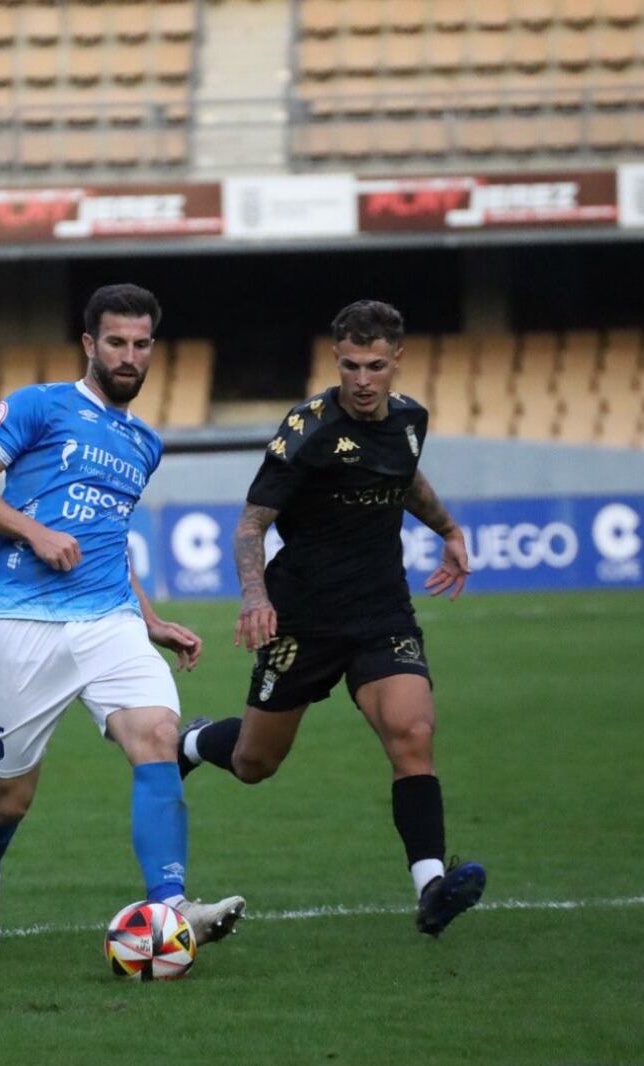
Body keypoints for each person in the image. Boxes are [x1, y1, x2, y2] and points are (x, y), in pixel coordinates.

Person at [0, 283, 246, 961]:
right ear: (89, 344)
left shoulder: (145, 443)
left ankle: (171, 907)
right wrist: (32, 532)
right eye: (116, 342)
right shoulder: (38, 406)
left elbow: (109, 534)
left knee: (158, 733)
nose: (129, 356)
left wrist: (150, 617)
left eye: (141, 344)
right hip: (22, 619)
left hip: (109, 620)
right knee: (10, 799)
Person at [176, 299, 486, 938]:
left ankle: (430, 887)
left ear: (397, 360)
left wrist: (449, 528)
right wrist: (256, 598)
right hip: (303, 619)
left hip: (380, 611)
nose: (363, 380)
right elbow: (251, 524)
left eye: (375, 366)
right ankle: (194, 740)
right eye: (350, 366)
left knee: (412, 733)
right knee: (255, 763)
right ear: (335, 360)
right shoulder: (307, 428)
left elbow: (405, 480)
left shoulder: (409, 421)